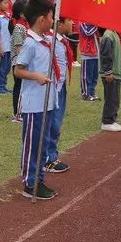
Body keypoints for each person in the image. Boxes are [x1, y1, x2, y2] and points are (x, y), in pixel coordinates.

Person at [13, 0, 58, 200]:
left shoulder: (46, 40)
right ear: (42, 19)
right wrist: (36, 76)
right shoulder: (30, 44)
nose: (53, 20)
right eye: (51, 16)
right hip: (34, 104)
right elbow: (18, 71)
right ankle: (30, 183)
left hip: (47, 101)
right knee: (33, 144)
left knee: (43, 142)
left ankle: (39, 179)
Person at [45, 16, 73, 173]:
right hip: (53, 86)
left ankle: (52, 155)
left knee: (57, 122)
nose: (73, 23)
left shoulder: (61, 40)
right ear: (60, 24)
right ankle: (48, 159)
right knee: (52, 123)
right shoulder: (51, 39)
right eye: (69, 20)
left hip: (60, 86)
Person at [98, 25, 121, 131]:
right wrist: (108, 72)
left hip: (115, 73)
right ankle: (107, 121)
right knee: (111, 98)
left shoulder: (115, 33)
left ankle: (112, 119)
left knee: (115, 98)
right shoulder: (108, 35)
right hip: (110, 74)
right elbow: (106, 55)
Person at [9, 0, 28, 122]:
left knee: (22, 88)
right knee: (20, 88)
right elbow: (18, 48)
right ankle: (18, 114)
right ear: (21, 14)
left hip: (22, 62)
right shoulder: (19, 27)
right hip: (19, 63)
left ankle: (21, 112)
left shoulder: (24, 25)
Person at [78, 22, 100, 101]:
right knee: (86, 76)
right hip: (87, 53)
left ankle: (92, 93)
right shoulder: (82, 23)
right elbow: (88, 33)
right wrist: (97, 25)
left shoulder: (93, 24)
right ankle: (85, 94)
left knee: (94, 76)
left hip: (95, 52)